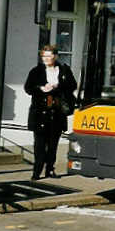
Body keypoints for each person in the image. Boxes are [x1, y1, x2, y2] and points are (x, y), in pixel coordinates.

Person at [24, 45, 77, 180]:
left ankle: (50, 169)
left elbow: (73, 86)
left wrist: (58, 86)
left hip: (57, 112)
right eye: (44, 56)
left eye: (49, 56)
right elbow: (28, 88)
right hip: (41, 113)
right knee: (40, 145)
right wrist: (41, 88)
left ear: (55, 56)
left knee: (53, 144)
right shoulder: (36, 71)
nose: (46, 59)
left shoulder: (64, 70)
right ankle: (37, 171)